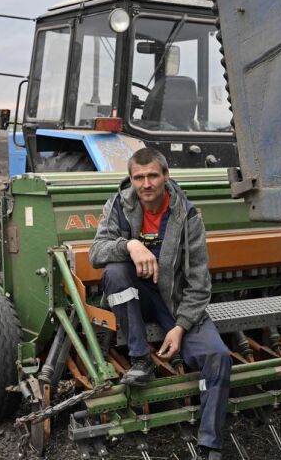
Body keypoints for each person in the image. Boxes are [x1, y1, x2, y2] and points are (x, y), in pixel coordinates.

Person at [89, 148, 230, 460]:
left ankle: (210, 446)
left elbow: (199, 281)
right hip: (135, 299)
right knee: (114, 271)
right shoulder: (118, 206)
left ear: (166, 176)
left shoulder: (187, 215)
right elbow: (95, 253)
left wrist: (180, 328)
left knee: (218, 357)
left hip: (175, 302)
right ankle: (141, 360)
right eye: (138, 177)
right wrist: (130, 244)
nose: (146, 183)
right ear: (131, 179)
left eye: (153, 175)